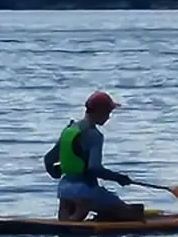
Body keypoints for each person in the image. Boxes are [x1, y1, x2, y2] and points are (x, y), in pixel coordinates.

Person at [43, 91, 144, 221]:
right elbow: (94, 169)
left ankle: (75, 219)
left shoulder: (69, 130)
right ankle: (93, 214)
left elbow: (48, 160)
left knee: (67, 223)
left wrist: (56, 173)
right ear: (100, 112)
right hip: (86, 191)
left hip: (64, 190)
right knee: (132, 215)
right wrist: (119, 178)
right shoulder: (94, 135)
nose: (108, 117)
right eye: (108, 112)